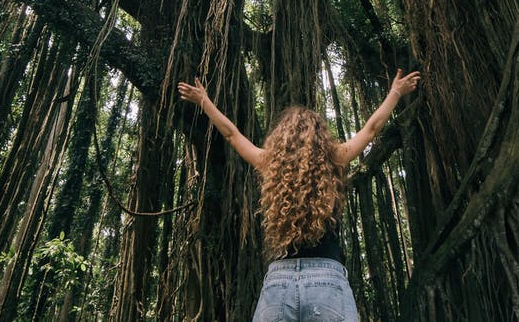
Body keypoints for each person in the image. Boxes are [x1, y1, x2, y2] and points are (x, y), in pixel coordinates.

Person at [177, 69, 422, 322]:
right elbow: (371, 129)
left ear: (281, 138)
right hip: (327, 281)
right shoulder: (334, 156)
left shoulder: (268, 161)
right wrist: (395, 92)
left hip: (278, 283)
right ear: (319, 135)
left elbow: (231, 134)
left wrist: (204, 100)